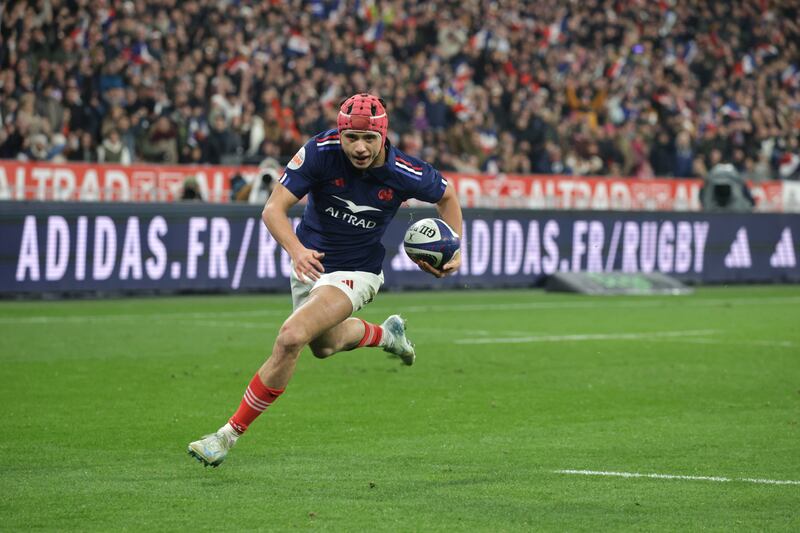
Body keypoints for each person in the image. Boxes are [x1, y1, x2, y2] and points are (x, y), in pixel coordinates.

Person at [188, 93, 463, 467]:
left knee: (291, 338)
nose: (361, 147)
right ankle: (386, 335)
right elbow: (273, 211)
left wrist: (454, 246)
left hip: (358, 271)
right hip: (311, 263)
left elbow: (447, 195)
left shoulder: (403, 171)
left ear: (383, 134)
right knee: (325, 345)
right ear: (340, 133)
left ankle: (226, 436)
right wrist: (297, 251)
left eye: (369, 138)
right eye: (352, 138)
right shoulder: (319, 151)